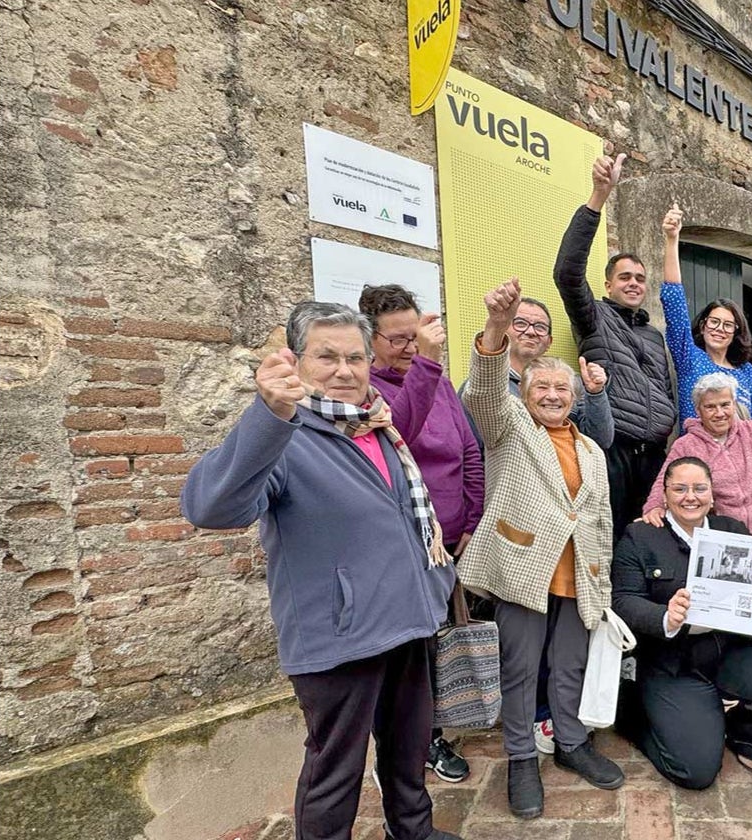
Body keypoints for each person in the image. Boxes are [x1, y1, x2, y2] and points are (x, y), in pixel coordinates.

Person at [180, 302, 461, 840]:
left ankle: (414, 832)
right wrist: (268, 414)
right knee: (336, 773)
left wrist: (436, 587)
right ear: (298, 363)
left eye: (354, 357)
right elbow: (209, 508)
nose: (344, 370)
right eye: (326, 356)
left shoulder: (377, 426)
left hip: (408, 620)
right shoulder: (284, 437)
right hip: (340, 637)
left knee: (408, 752)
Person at [459, 278, 623, 820]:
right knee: (521, 669)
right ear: (525, 394)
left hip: (581, 574)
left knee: (569, 664)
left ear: (575, 398)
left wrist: (602, 577)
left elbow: (598, 517)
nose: (552, 395)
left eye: (562, 390)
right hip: (523, 567)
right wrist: (496, 330)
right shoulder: (508, 427)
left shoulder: (591, 449)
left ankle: (572, 743)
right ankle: (522, 757)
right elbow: (482, 392)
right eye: (541, 388)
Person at [612, 457, 752, 788]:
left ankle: (748, 736)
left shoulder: (732, 531)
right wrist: (664, 616)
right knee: (696, 771)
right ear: (665, 494)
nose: (690, 496)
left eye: (699, 488)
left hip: (731, 646)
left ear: (711, 494)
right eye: (679, 488)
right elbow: (622, 599)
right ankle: (636, 718)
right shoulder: (640, 536)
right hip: (672, 661)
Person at [358, 283, 481, 784]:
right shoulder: (366, 392)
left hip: (448, 541)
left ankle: (431, 726)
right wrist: (427, 365)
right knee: (414, 650)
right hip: (406, 545)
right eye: (398, 340)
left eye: (417, 337)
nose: (411, 348)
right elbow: (398, 436)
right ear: (371, 342)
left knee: (442, 640)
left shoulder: (442, 384)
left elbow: (468, 452)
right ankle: (419, 741)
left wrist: (469, 523)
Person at [553, 147, 677, 540]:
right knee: (609, 540)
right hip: (612, 451)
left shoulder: (653, 335)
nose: (634, 283)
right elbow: (567, 272)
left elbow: (664, 389)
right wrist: (598, 198)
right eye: (624, 276)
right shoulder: (594, 317)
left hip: (654, 456)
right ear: (608, 284)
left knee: (650, 544)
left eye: (640, 278)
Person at [640, 345, 752, 542]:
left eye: (725, 405)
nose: (719, 413)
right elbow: (666, 479)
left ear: (734, 405)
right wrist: (654, 506)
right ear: (698, 410)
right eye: (710, 407)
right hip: (720, 540)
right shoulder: (687, 445)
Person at [458, 294, 614, 449]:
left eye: (540, 327)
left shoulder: (569, 384)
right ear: (504, 330)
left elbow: (600, 441)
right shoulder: (483, 387)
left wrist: (596, 393)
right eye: (520, 323)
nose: (531, 332)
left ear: (549, 342)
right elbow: (470, 449)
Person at [659, 203, 752, 425]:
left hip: (738, 458)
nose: (719, 329)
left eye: (728, 325)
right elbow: (673, 301)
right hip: (698, 455)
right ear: (703, 326)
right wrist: (672, 240)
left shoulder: (748, 373)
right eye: (714, 322)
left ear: (737, 332)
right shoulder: (689, 357)